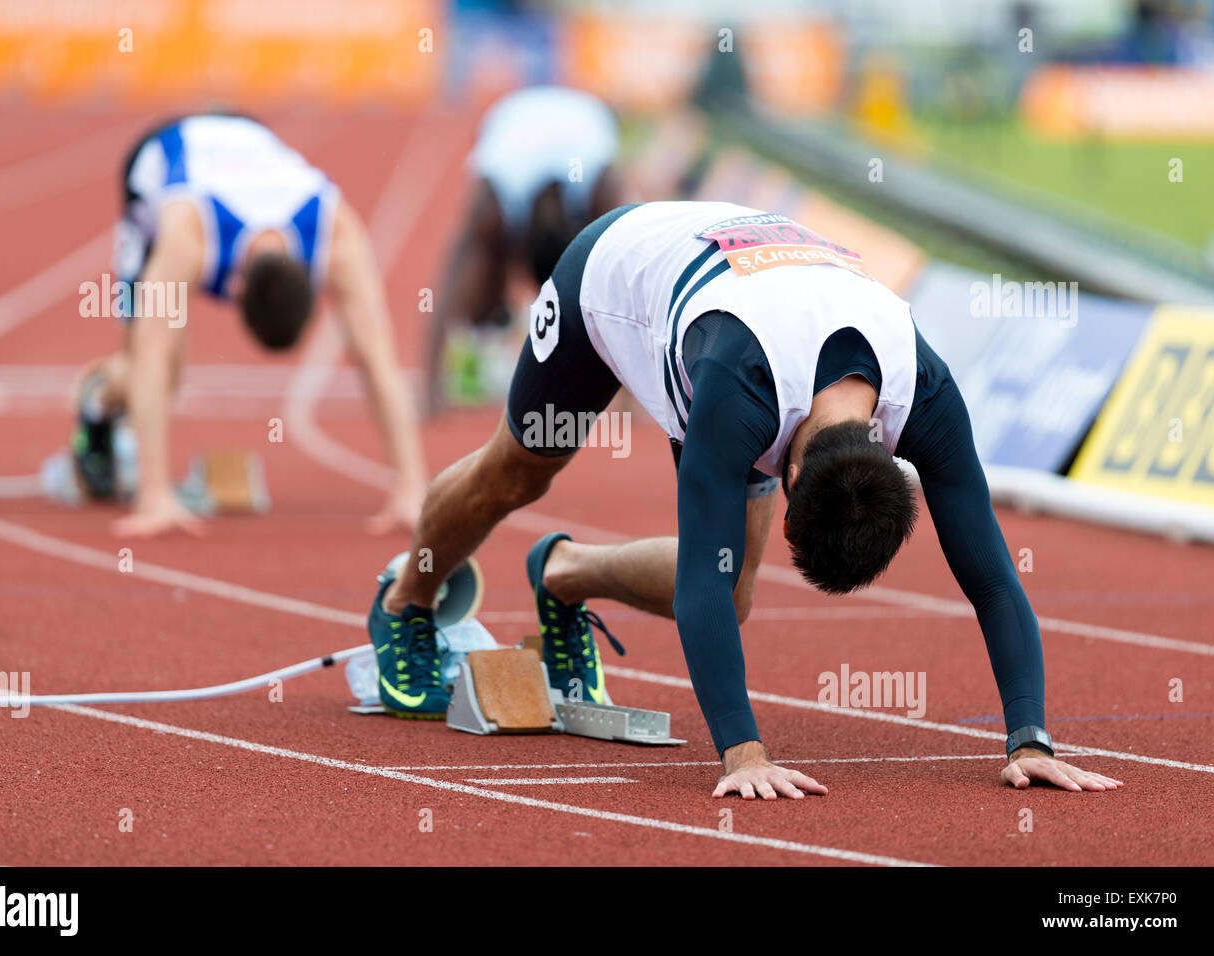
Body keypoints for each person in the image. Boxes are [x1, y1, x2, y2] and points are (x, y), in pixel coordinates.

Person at [369, 200, 1124, 800]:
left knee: (734, 597)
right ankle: (406, 601)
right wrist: (743, 751)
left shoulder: (923, 391)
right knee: (521, 473)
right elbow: (697, 569)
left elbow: (992, 577)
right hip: (612, 280)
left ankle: (561, 572)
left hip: (747, 291)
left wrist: (1031, 738)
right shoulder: (737, 400)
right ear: (792, 477)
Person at [74, 112, 426, 537]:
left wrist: (413, 490)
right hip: (158, 157)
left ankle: (124, 433)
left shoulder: (338, 236)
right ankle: (96, 403)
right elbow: (151, 355)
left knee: (370, 344)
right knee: (159, 371)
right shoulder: (189, 235)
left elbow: (377, 360)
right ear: (235, 287)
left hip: (247, 131)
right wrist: (155, 496)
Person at [425, 85, 622, 413]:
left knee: (608, 270)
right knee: (482, 280)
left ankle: (492, 320)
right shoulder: (494, 197)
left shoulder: (599, 183)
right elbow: (452, 283)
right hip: (514, 119)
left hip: (580, 119)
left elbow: (623, 280)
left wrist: (431, 391)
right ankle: (491, 313)